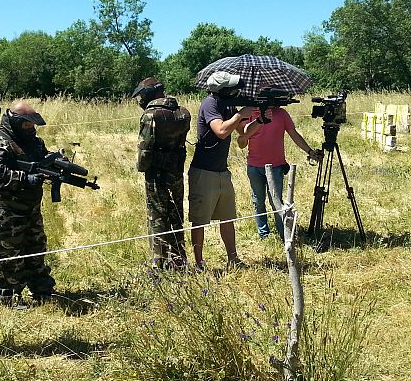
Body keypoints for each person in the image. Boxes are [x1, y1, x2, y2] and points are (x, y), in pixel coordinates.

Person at [0, 99, 56, 309]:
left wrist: (55, 163)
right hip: (5, 209)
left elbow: (43, 157)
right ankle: (9, 295)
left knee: (36, 248)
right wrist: (24, 179)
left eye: (32, 125)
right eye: (26, 124)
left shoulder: (34, 141)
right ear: (14, 121)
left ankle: (41, 288)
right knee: (9, 254)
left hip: (30, 207)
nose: (30, 129)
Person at [188, 71, 256, 268]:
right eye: (232, 87)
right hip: (204, 171)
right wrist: (240, 114)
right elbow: (221, 131)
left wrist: (259, 121)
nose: (236, 90)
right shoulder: (210, 103)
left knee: (227, 218)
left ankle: (233, 259)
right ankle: (199, 262)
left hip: (221, 171)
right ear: (221, 89)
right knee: (200, 220)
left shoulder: (228, 104)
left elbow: (242, 135)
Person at [131, 77, 191, 269]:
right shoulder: (183, 113)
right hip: (176, 173)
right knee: (176, 215)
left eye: (141, 95)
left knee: (157, 217)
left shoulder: (151, 115)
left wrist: (142, 167)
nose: (140, 100)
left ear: (148, 95)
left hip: (156, 175)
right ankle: (179, 260)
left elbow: (145, 149)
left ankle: (159, 262)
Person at [237, 106, 322, 240]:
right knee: (258, 201)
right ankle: (263, 234)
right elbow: (241, 142)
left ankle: (284, 234)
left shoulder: (281, 114)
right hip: (254, 166)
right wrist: (257, 121)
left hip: (276, 166)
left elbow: (294, 134)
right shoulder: (247, 113)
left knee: (276, 202)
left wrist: (310, 152)